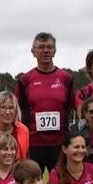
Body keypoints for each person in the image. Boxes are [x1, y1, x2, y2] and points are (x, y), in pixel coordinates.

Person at [14, 32, 74, 176]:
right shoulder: (25, 80)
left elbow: (69, 107)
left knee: (61, 182)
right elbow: (18, 109)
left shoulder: (66, 78)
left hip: (59, 143)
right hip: (33, 143)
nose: (45, 50)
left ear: (55, 51)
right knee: (31, 182)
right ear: (33, 52)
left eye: (49, 47)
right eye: (41, 47)